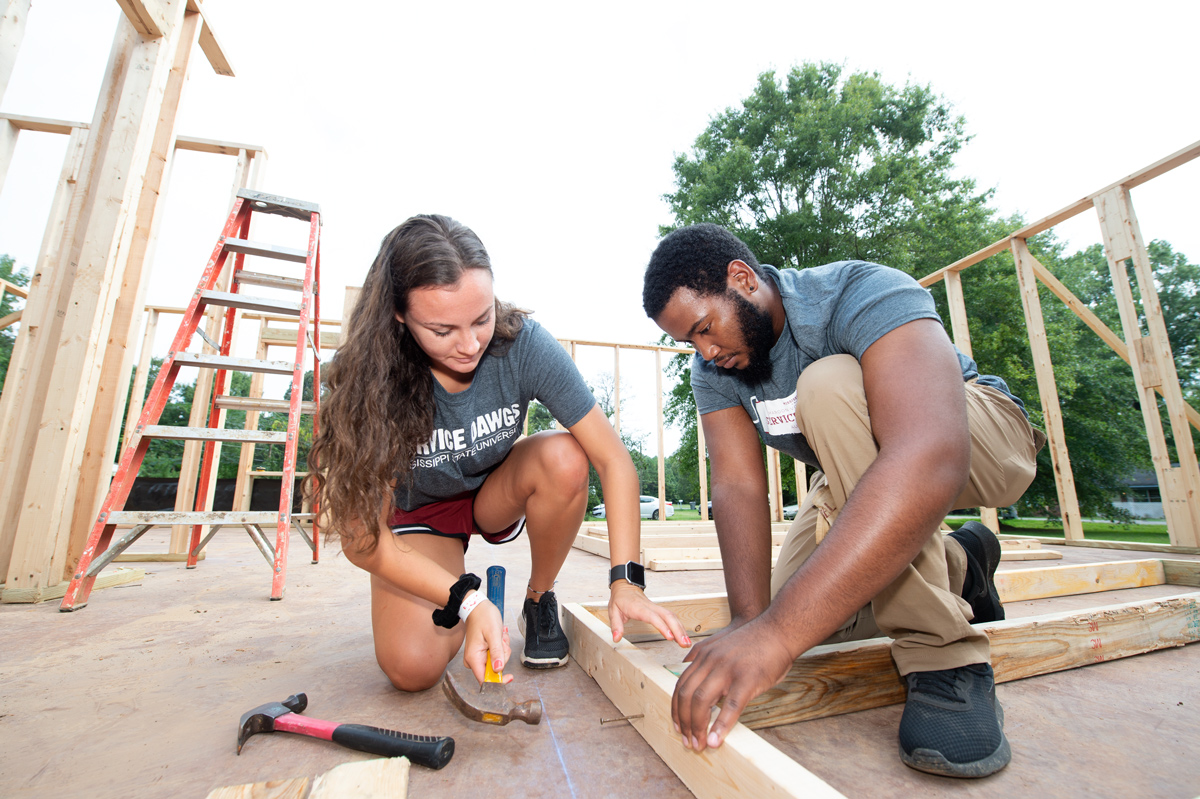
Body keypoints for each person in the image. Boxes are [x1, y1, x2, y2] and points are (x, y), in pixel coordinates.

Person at [642, 223, 1044, 778]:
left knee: (826, 385)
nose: (705, 352)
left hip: (975, 433)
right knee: (807, 613)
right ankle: (962, 564)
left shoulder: (858, 290)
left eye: (705, 329)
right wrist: (752, 619)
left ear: (743, 279)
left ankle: (943, 656)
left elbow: (929, 450)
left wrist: (778, 635)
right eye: (690, 342)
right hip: (865, 471)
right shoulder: (713, 370)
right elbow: (737, 485)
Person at [310, 214, 689, 693]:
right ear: (399, 315)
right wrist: (469, 601)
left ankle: (538, 598)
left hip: (492, 492)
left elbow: (614, 461)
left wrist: (626, 581)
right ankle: (450, 591)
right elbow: (361, 540)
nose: (469, 345)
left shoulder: (523, 345)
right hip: (420, 513)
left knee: (566, 457)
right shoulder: (371, 379)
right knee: (412, 668)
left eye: (481, 318)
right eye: (443, 330)